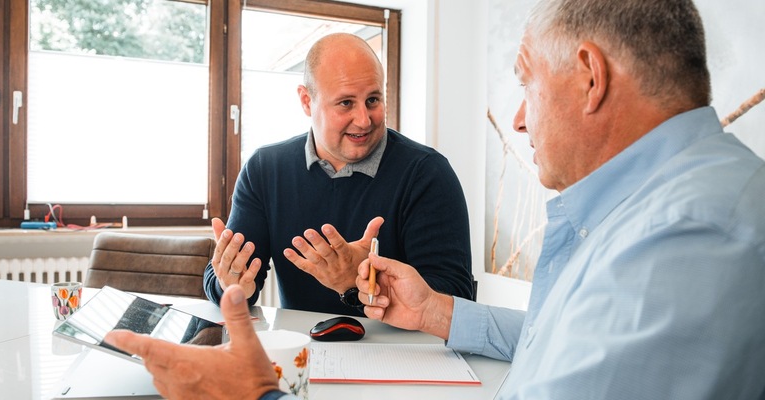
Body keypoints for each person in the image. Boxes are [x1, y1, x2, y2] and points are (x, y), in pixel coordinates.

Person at [105, 0, 765, 399]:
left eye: (526, 83)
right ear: (308, 104)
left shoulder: (689, 237)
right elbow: (560, 337)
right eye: (344, 103)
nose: (520, 121)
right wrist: (436, 311)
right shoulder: (662, 210)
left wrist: (253, 394)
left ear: (589, 78)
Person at [203, 32, 474, 316]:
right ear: (307, 101)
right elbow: (226, 280)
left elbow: (454, 298)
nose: (364, 120)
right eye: (346, 103)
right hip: (304, 352)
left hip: (404, 354)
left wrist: (359, 282)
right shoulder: (264, 169)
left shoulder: (427, 173)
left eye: (373, 100)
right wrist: (230, 285)